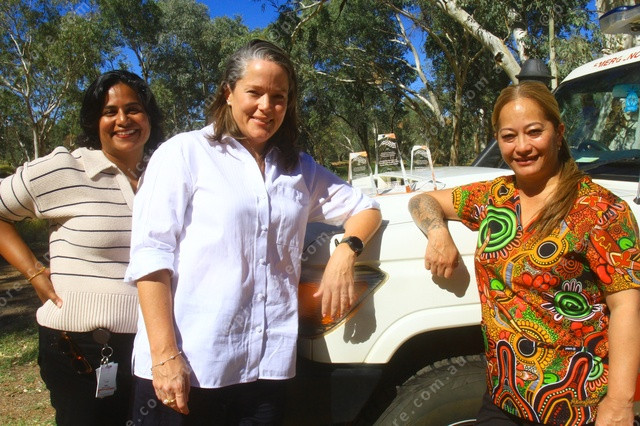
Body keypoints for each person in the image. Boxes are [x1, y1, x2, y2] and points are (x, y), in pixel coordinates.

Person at [125, 39, 382, 424]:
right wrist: (164, 357)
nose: (266, 106)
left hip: (266, 370)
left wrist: (346, 252)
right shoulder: (184, 154)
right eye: (255, 93)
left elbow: (365, 207)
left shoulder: (299, 169)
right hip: (190, 368)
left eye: (279, 97)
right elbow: (151, 256)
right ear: (228, 93)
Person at [408, 81, 640, 425]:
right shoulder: (495, 196)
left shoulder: (601, 210)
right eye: (508, 136)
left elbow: (627, 307)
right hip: (503, 398)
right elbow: (422, 200)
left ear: (558, 133)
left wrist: (620, 403)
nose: (522, 147)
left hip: (578, 406)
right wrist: (438, 233)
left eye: (534, 132)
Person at [0, 70, 164, 425]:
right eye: (110, 112)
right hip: (81, 349)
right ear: (94, 121)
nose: (123, 120)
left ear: (149, 116)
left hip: (156, 345)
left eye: (134, 109)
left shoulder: (166, 175)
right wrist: (33, 272)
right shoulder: (64, 169)